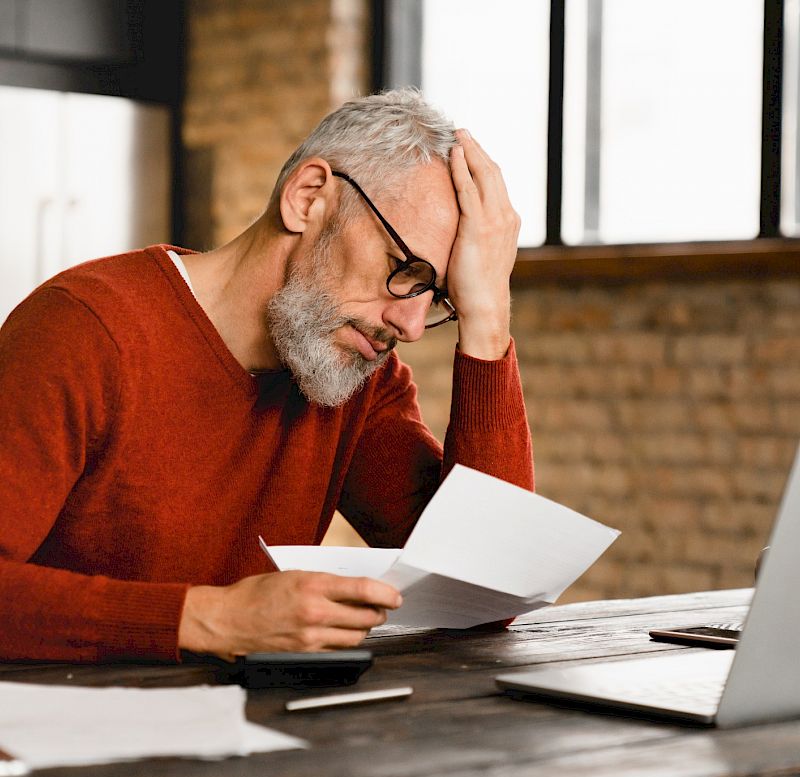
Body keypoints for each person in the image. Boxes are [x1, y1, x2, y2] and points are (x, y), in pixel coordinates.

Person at [0, 89, 533, 664]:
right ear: (308, 199)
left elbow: (486, 590)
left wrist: (487, 323)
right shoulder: (82, 329)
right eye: (405, 271)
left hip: (249, 734)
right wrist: (211, 618)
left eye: (439, 298)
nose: (409, 326)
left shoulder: (357, 377)